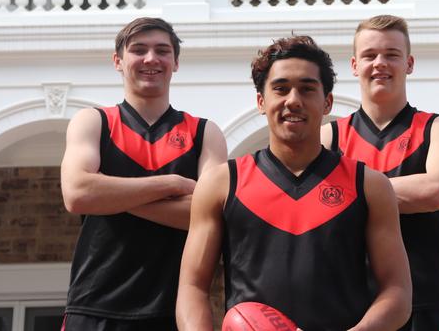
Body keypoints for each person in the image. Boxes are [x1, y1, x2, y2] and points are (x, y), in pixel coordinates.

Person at [176, 36, 411, 330]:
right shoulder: (222, 183)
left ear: (327, 102)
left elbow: (398, 292)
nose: (293, 100)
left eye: (307, 89)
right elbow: (193, 288)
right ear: (261, 101)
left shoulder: (369, 185)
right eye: (281, 88)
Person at [59, 17, 227, 331]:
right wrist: (173, 184)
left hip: (173, 310)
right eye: (139, 50)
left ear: (175, 62)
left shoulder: (203, 132)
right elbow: (78, 193)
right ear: (118, 61)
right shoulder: (94, 122)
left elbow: (210, 215)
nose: (151, 58)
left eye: (162, 51)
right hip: (94, 306)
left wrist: (109, 196)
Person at [321, 15, 439, 331]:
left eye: (391, 54)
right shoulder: (329, 137)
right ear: (355, 65)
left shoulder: (438, 128)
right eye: (370, 55)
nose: (380, 63)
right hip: (349, 305)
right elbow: (313, 207)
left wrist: (345, 193)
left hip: (423, 303)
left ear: (409, 63)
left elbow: (436, 190)